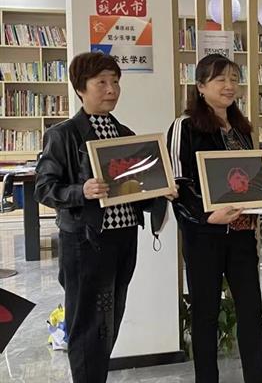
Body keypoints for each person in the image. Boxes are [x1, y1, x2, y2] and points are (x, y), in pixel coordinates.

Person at [34, 52, 174, 383]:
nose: (111, 89)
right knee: (87, 323)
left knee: (110, 320)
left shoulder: (125, 132)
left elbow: (134, 188)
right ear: (80, 89)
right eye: (101, 82)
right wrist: (81, 190)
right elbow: (44, 188)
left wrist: (160, 189)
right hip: (86, 241)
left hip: (123, 239)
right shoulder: (64, 134)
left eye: (115, 82)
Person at [167, 54, 262, 383]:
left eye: (233, 78)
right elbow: (177, 184)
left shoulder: (242, 129)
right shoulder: (184, 126)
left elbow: (253, 178)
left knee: (251, 312)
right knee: (205, 314)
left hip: (242, 235)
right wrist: (206, 216)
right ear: (201, 86)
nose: (229, 86)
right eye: (220, 79)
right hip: (205, 237)